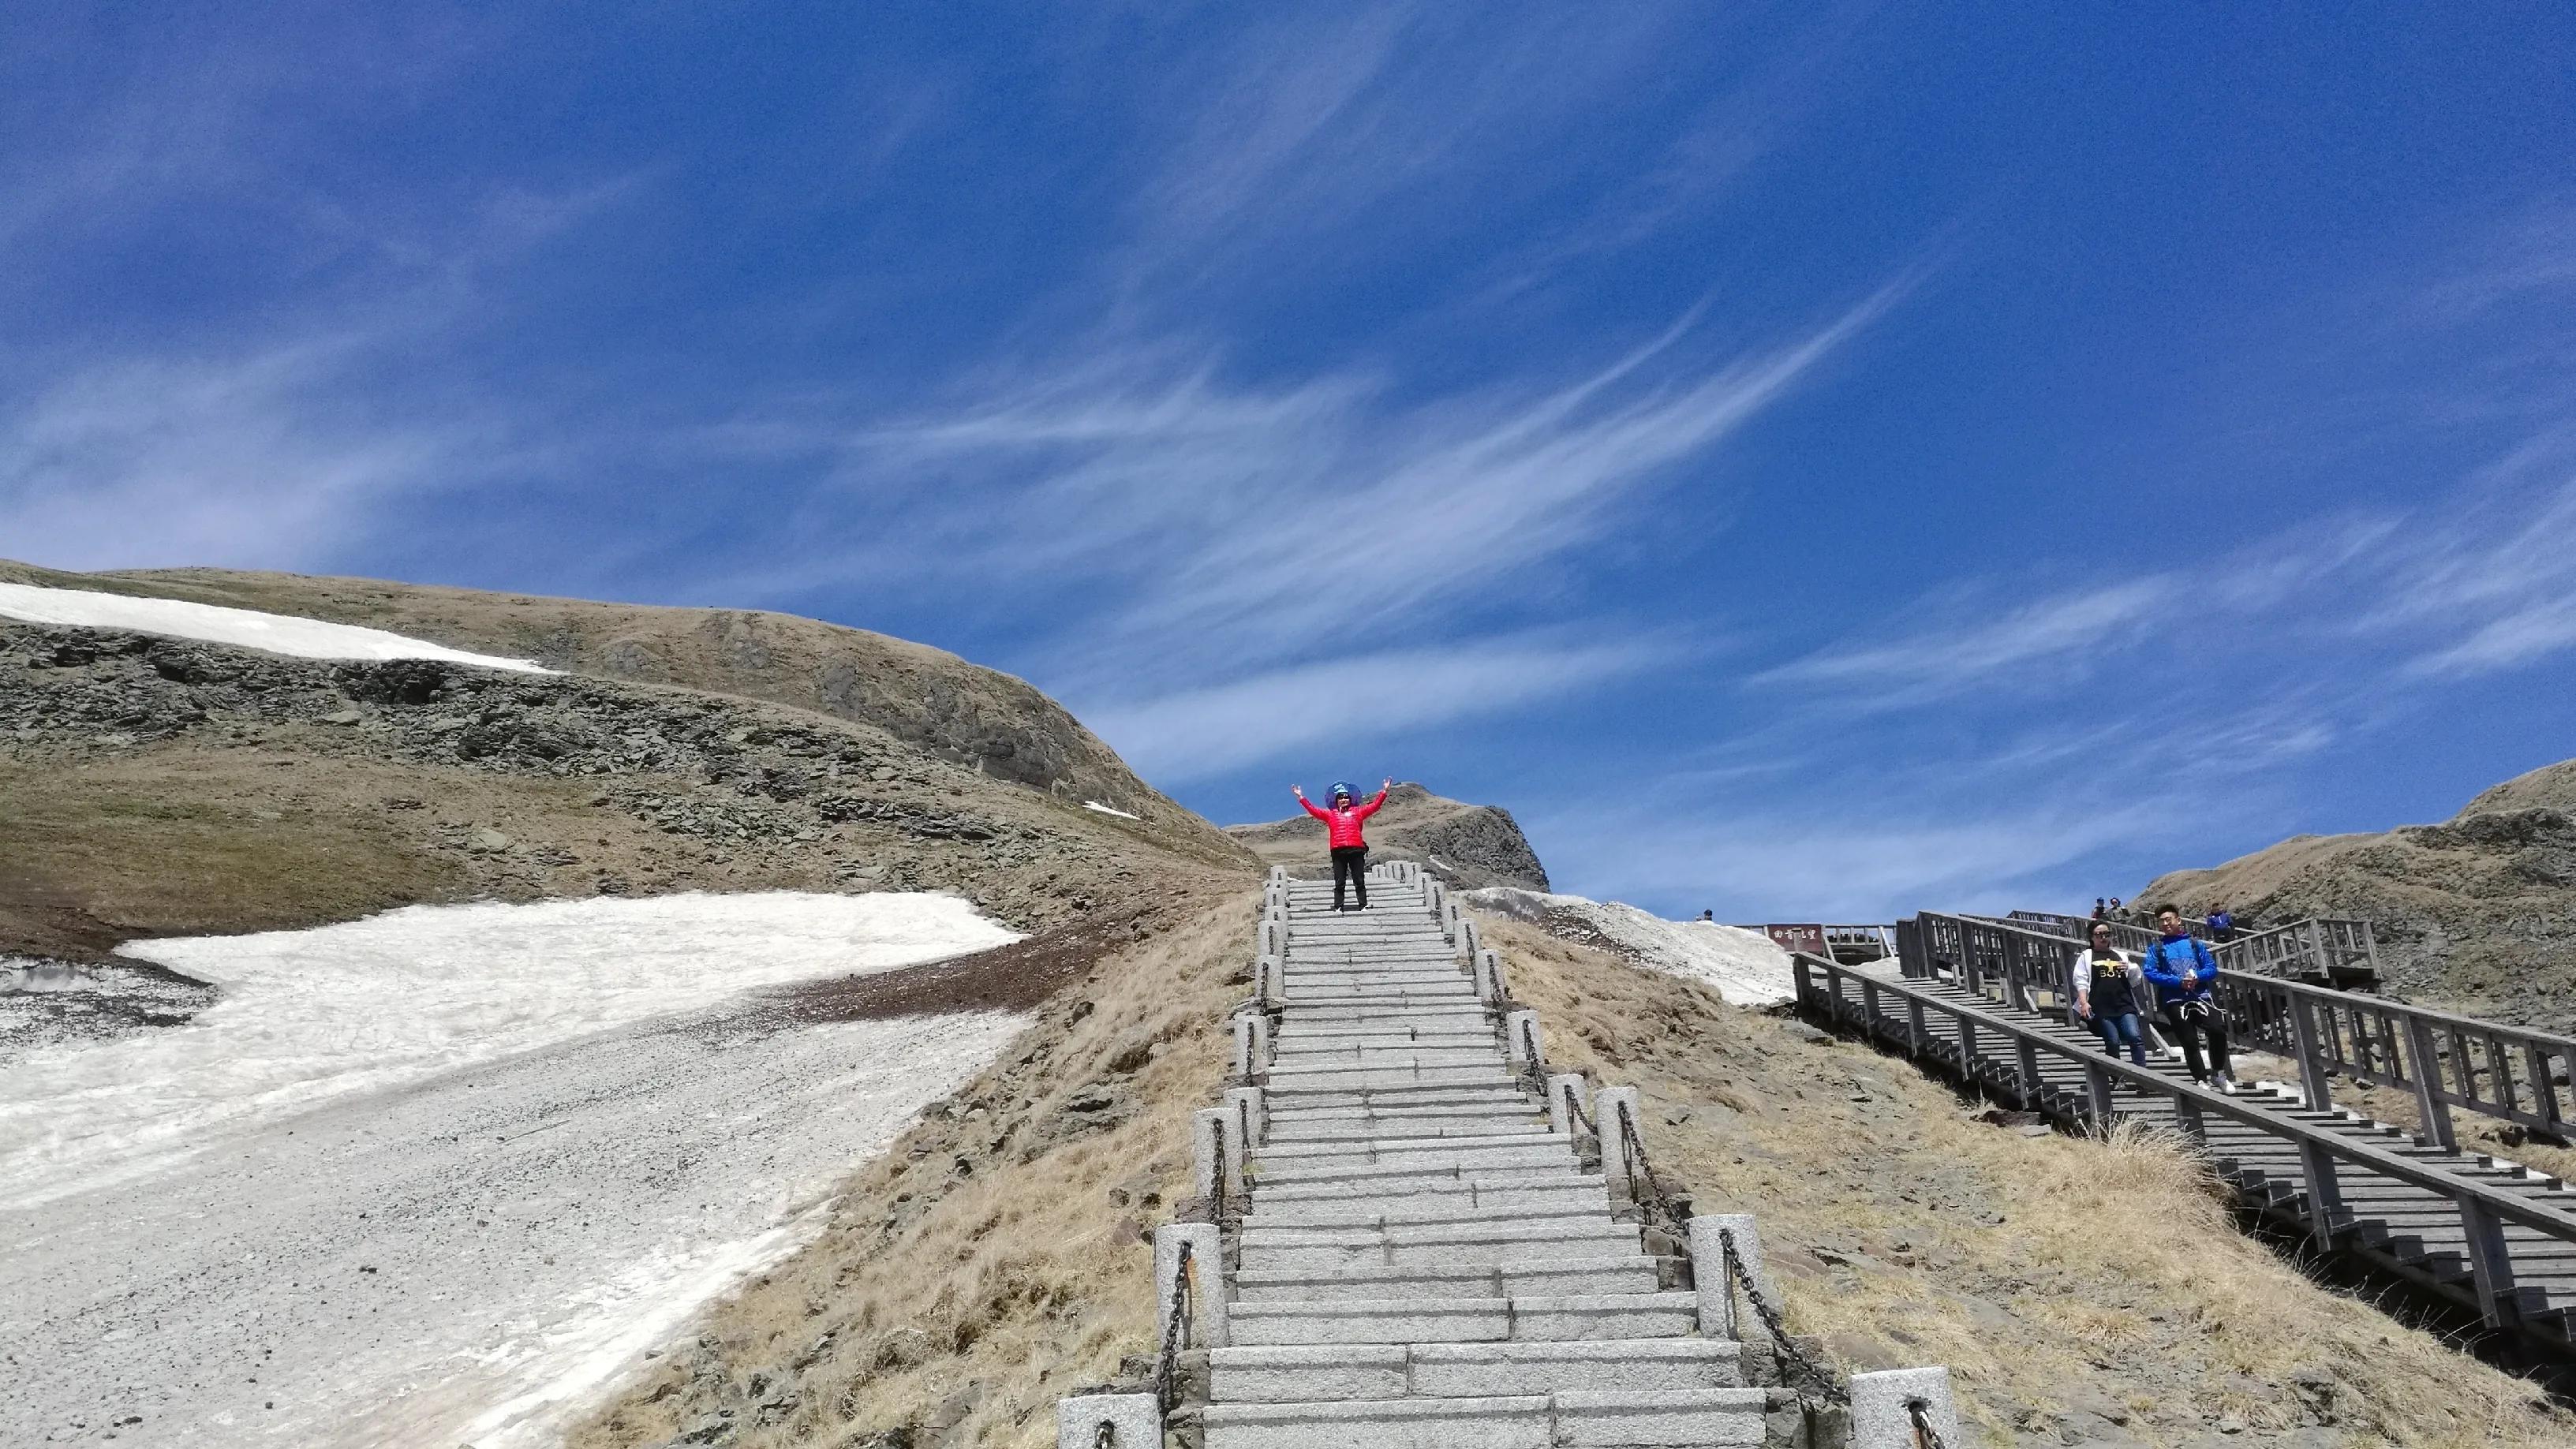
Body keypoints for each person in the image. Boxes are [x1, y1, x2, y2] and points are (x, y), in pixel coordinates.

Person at [2140, 902, 2237, 1089]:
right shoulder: (2157, 948)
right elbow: (2150, 972)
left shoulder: (2195, 944)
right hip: (2173, 999)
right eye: (2161, 921)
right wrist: (2178, 982)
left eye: (2169, 919)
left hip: (2201, 995)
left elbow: (2211, 968)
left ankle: (2218, 1073)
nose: (2166, 924)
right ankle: (2200, 1078)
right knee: (2189, 1039)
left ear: (2179, 920)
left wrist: (2197, 977)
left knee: (2217, 1030)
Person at [1293, 779, 1393, 911]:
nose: (1344, 800)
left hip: (1356, 849)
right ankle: (1338, 906)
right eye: (1341, 798)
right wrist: (1301, 797)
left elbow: (1375, 806)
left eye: (1346, 797)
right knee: (1340, 881)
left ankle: (1363, 905)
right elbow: (1313, 810)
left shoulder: (1359, 812)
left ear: (1350, 799)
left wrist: (1384, 791)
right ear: (1336, 800)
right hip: (1338, 850)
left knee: (1359, 879)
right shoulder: (1330, 815)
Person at [2071, 921, 2147, 1068]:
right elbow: (2080, 980)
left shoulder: (2120, 955)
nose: (2103, 938)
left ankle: (2142, 1074)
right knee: (2112, 1040)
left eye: (2107, 934)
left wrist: (2130, 968)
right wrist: (2083, 1002)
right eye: (2099, 935)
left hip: (2124, 1003)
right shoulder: (2087, 956)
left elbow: (2135, 979)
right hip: (2101, 1006)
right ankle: (2115, 1074)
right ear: (2092, 937)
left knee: (2134, 1036)